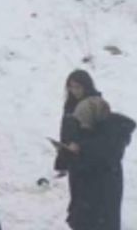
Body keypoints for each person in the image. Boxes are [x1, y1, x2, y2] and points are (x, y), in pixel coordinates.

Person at [58, 71, 133, 230]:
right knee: (81, 214)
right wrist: (63, 156)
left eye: (77, 87)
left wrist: (82, 148)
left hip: (99, 174)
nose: (74, 91)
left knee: (98, 217)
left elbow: (107, 143)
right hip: (79, 171)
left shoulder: (95, 105)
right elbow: (67, 134)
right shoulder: (70, 107)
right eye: (70, 87)